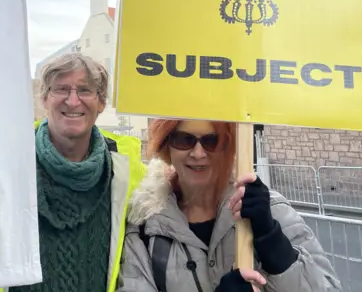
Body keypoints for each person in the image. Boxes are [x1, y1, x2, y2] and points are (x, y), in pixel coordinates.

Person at [117, 118, 342, 292]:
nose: (197, 153)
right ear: (167, 146)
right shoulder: (146, 227)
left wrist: (272, 240)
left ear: (229, 147)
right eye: (184, 140)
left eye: (211, 141)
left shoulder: (272, 210)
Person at [0, 53, 145, 292]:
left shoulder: (127, 169)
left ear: (101, 102)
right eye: (61, 89)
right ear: (44, 98)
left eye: (84, 90)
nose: (72, 101)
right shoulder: (4, 160)